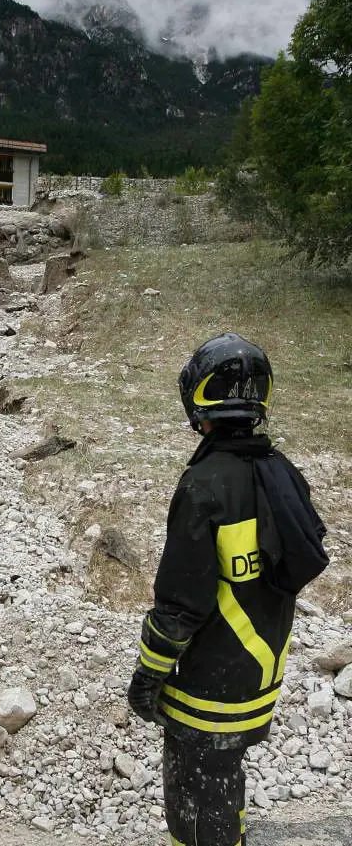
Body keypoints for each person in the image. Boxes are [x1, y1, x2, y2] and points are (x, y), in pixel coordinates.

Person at [127, 333, 328, 846]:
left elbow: (180, 605)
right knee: (225, 788)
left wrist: (148, 676)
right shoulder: (284, 475)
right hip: (261, 675)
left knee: (195, 813)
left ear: (198, 403)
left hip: (206, 686)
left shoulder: (203, 486)